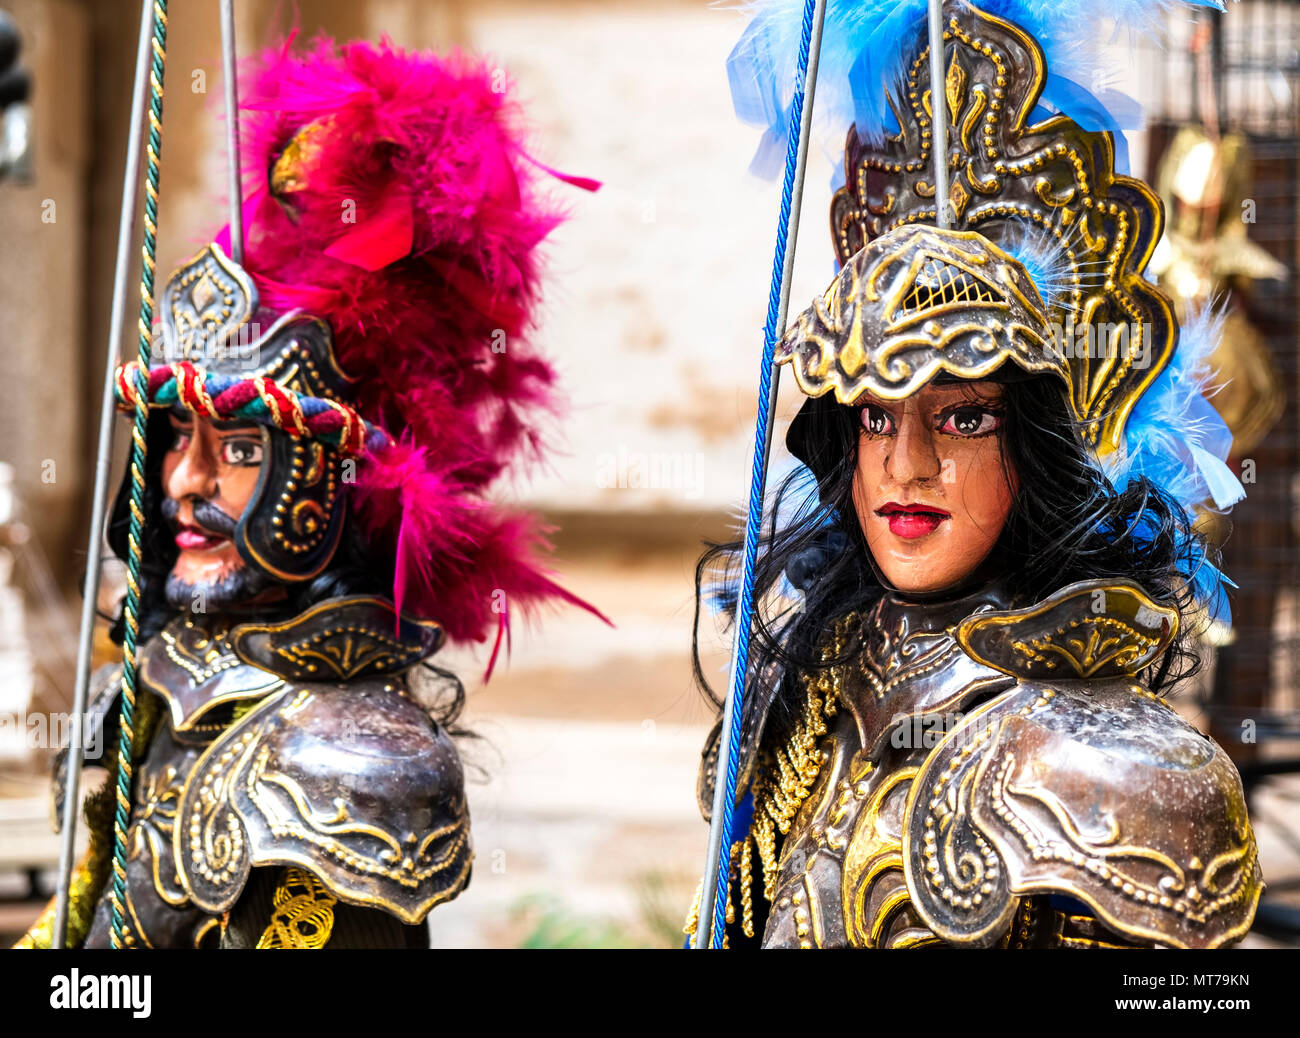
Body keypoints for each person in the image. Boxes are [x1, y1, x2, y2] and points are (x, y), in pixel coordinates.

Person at [688, 0, 1261, 949]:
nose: (905, 467)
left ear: (1031, 445)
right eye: (875, 417)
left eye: (961, 418)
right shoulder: (806, 681)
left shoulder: (1105, 768)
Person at [18, 35, 599, 949]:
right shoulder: (160, 677)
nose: (183, 480)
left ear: (337, 480)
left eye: (241, 447)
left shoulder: (352, 766)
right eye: (180, 437)